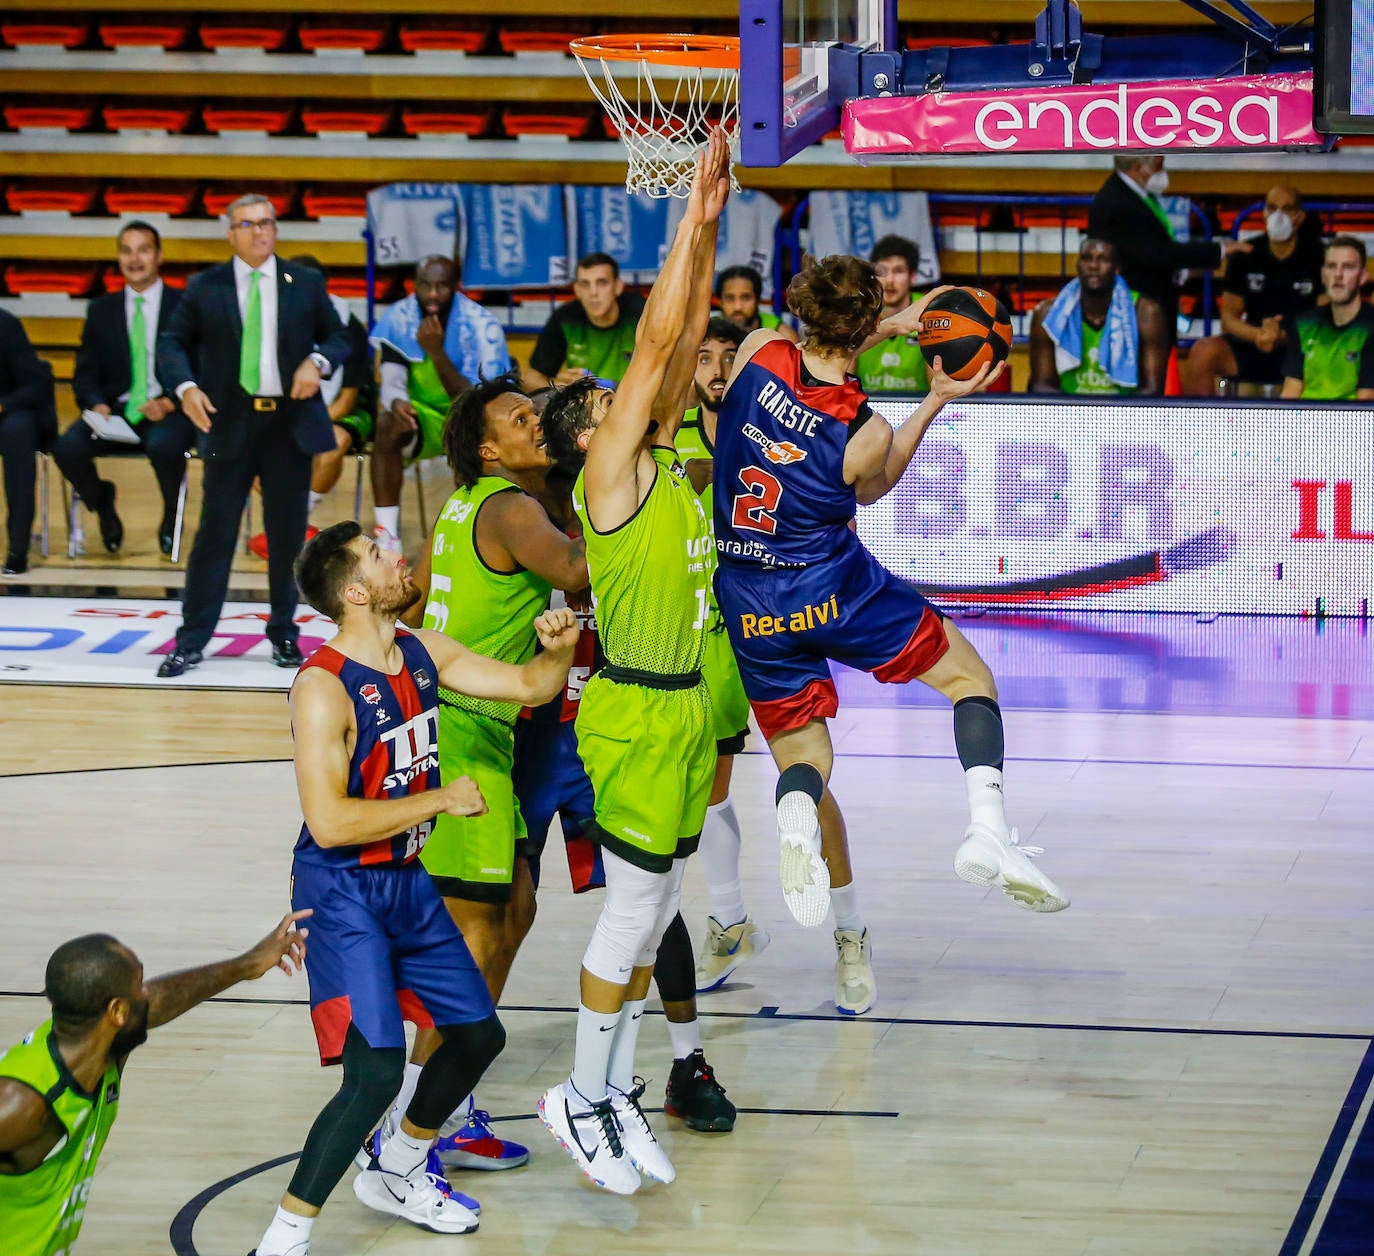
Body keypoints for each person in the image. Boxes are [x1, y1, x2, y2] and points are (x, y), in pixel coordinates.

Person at [711, 254, 1071, 957]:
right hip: (830, 586)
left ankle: (794, 810)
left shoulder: (757, 352)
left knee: (805, 753)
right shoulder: (863, 430)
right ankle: (989, 829)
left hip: (747, 594)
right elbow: (874, 488)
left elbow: (811, 345)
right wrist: (935, 399)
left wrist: (883, 325)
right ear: (868, 318)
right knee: (970, 679)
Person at [251, 521, 579, 1255]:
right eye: (378, 555)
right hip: (342, 890)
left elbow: (526, 687)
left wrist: (555, 652)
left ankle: (398, 1168)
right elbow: (331, 822)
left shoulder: (423, 652)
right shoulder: (322, 687)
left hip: (405, 880)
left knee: (478, 1035)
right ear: (357, 592)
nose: (399, 558)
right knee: (372, 1075)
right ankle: (285, 1238)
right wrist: (437, 800)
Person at [533, 130, 732, 1195]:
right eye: (608, 399)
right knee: (629, 912)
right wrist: (686, 220)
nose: (633, 392)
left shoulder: (647, 451)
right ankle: (578, 1087)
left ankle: (612, 1092)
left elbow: (684, 331)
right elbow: (656, 346)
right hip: (636, 712)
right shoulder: (610, 473)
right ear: (588, 435)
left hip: (684, 706)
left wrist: (713, 223)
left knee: (653, 911)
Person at [372, 369, 589, 1174]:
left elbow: (416, 598)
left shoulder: (464, 507)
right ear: (489, 448)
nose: (537, 424)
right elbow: (573, 569)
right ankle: (413, 1125)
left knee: (516, 908)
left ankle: (440, 1102)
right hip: (472, 737)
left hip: (467, 729)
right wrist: (639, 512)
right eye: (519, 418)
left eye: (536, 413)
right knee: (469, 939)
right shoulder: (508, 505)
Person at [0, 915, 310, 1255]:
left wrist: (248, 964)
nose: (149, 994)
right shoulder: (20, 1104)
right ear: (117, 1011)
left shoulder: (99, 1049)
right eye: (140, 986)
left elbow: (162, 1000)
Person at [155, 193, 352, 679]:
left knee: (287, 539)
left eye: (267, 223)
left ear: (275, 229)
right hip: (228, 420)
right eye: (249, 224)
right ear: (231, 232)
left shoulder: (303, 281)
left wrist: (318, 361)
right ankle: (192, 639)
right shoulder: (206, 286)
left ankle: (285, 633)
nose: (260, 232)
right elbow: (171, 342)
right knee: (214, 535)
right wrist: (185, 387)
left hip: (288, 423)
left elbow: (340, 336)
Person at [675, 316, 775, 996]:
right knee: (703, 782)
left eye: (728, 357)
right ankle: (732, 917)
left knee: (714, 783)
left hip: (746, 627)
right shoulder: (669, 440)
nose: (714, 369)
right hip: (682, 628)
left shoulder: (768, 437)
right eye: (703, 357)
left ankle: (732, 918)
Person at [53, 220, 196, 557]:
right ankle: (102, 503)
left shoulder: (186, 305)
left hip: (168, 408)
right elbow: (85, 372)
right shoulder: (101, 309)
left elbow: (203, 367)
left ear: (159, 256)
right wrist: (95, 403)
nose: (135, 259)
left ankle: (170, 516)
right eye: (127, 251)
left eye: (143, 250)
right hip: (116, 409)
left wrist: (171, 402)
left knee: (165, 446)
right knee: (66, 447)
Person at [368, 255, 511, 553]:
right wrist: (397, 402)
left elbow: (478, 400)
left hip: (473, 421)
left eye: (442, 286)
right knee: (386, 425)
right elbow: (392, 377)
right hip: (425, 419)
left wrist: (436, 352)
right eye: (426, 285)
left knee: (476, 440)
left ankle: (470, 538)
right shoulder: (400, 317)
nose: (432, 294)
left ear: (456, 287)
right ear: (415, 285)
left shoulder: (482, 325)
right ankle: (388, 535)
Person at [248, 255, 377, 558]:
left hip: (347, 408)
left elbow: (347, 398)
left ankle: (288, 525)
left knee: (332, 442)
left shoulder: (348, 326)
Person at [1088, 154, 1250, 344]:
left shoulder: (1133, 194)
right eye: (1158, 165)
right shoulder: (1119, 202)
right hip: (1134, 311)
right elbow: (1157, 253)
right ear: (1138, 167)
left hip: (1147, 305)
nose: (1163, 172)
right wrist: (1219, 249)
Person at [1183, 185, 1325, 396]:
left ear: (1299, 216)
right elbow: (1229, 319)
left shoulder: (1318, 254)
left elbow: (1324, 316)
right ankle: (1204, 427)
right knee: (1203, 353)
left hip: (1301, 346)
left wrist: (1285, 335)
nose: (1278, 216)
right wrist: (1259, 334)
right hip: (1254, 341)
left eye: (1286, 209)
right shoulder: (1247, 253)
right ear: (1264, 213)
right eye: (1272, 208)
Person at [1028, 238, 1170, 396]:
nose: (1093, 266)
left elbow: (1152, 390)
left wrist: (1110, 416)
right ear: (1078, 266)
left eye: (1103, 259)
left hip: (1125, 416)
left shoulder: (1146, 313)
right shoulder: (1048, 314)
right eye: (1087, 258)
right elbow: (1042, 386)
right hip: (1068, 416)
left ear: (1117, 269)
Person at [525, 253, 645, 390]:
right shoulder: (565, 318)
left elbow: (664, 381)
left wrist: (605, 386)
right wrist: (564, 391)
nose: (593, 293)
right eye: (585, 284)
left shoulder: (641, 315)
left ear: (618, 287)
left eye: (601, 283)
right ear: (577, 290)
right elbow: (531, 378)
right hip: (586, 407)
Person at [1280, 236, 1374, 401]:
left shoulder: (1370, 328)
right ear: (1323, 275)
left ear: (1363, 277)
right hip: (1304, 422)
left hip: (1350, 424)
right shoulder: (1303, 323)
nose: (1338, 275)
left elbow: (1366, 403)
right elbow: (1291, 390)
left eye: (1348, 267)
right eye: (1331, 266)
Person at [0, 310, 57, 578]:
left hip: (10, 409)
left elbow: (34, 383)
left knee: (18, 432)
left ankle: (18, 547)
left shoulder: (6, 324)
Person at [855, 235, 930, 394]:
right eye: (882, 271)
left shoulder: (930, 313)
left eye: (898, 271)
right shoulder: (857, 313)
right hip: (865, 409)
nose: (889, 280)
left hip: (919, 409)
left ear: (913, 276)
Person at [714, 265, 797, 342]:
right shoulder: (708, 332)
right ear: (720, 302)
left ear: (758, 300)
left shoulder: (782, 336)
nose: (738, 307)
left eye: (746, 298)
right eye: (730, 298)